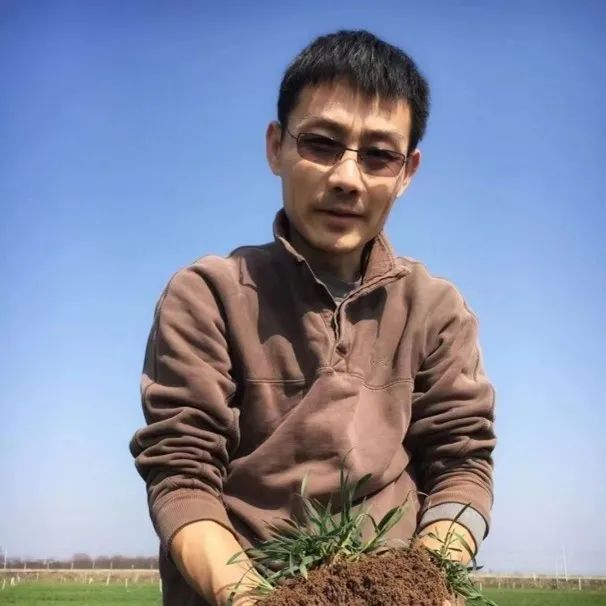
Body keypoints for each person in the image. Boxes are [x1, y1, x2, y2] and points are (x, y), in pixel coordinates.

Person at [129, 29, 496, 606]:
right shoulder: (207, 295)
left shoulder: (436, 310)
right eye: (321, 144)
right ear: (276, 146)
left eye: (379, 155)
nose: (347, 178)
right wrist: (252, 598)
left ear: (407, 172)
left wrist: (423, 582)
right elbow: (182, 475)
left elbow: (463, 464)